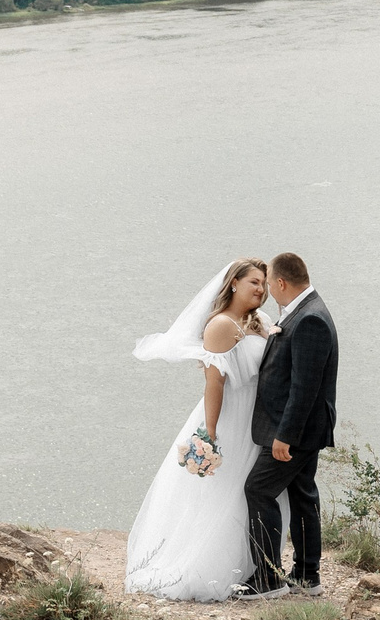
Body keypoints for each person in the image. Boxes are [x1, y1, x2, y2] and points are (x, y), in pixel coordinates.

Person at [120, 259, 276, 601]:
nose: (261, 290)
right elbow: (214, 383)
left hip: (257, 415)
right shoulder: (220, 325)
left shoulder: (261, 321)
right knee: (223, 491)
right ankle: (208, 566)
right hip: (231, 414)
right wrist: (211, 432)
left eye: (264, 284)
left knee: (248, 491)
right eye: (254, 282)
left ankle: (253, 567)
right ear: (233, 283)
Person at [240, 253, 339, 598]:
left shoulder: (310, 319)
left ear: (280, 283)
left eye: (268, 285)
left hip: (296, 432)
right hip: (302, 429)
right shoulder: (304, 311)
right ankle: (307, 576)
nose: (267, 292)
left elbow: (304, 387)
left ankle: (268, 579)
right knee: (302, 494)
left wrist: (285, 435)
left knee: (259, 489)